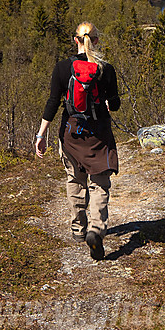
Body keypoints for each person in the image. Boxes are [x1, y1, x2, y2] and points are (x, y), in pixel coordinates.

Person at [35, 21, 120, 260]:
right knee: (99, 183)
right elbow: (114, 105)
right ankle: (96, 229)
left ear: (76, 40)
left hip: (71, 133)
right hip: (98, 135)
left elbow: (52, 103)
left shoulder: (63, 68)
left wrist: (41, 135)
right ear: (97, 40)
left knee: (75, 179)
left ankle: (78, 228)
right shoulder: (107, 69)